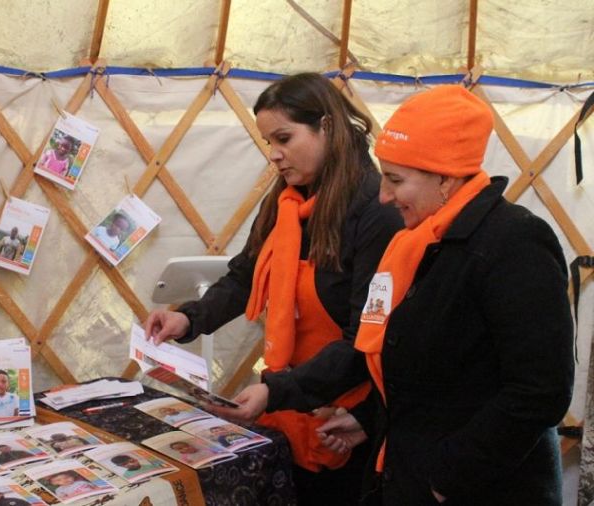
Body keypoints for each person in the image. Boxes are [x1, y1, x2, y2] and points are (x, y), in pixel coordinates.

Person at [214, 85, 575, 505]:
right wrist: (369, 419)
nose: (384, 195)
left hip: (480, 490)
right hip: (407, 474)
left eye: (396, 180)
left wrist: (449, 477)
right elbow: (416, 369)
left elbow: (539, 391)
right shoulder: (418, 243)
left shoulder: (513, 242)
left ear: (444, 176)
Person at [144, 72, 403, 504]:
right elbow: (245, 277)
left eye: (284, 138)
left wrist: (276, 391)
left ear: (328, 127)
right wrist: (187, 317)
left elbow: (366, 339)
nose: (275, 155)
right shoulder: (285, 202)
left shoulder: (373, 209)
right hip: (290, 396)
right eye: (268, 143)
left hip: (344, 413)